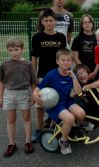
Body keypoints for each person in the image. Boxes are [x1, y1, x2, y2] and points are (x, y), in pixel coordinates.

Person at [32, 49, 85, 155]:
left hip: (67, 101)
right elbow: (38, 87)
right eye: (63, 60)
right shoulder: (51, 75)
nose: (66, 62)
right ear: (57, 61)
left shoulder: (72, 75)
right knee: (70, 118)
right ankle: (64, 141)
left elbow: (79, 92)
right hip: (55, 104)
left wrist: (74, 77)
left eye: (68, 60)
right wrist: (34, 94)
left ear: (71, 62)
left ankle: (73, 129)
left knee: (81, 113)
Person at [31, 8, 67, 143]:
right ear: (42, 22)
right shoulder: (37, 37)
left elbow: (64, 57)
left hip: (58, 76)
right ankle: (39, 129)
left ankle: (55, 127)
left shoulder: (61, 37)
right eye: (46, 21)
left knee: (58, 102)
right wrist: (33, 76)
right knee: (40, 104)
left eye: (51, 20)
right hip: (43, 76)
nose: (49, 23)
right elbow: (34, 57)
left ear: (55, 21)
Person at [0, 38, 38, 157]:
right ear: (7, 51)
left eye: (16, 49)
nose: (14, 53)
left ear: (22, 49)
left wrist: (33, 94)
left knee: (26, 117)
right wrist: (0, 97)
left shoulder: (27, 64)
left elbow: (33, 81)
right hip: (9, 94)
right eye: (10, 50)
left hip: (24, 93)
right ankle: (12, 143)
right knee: (11, 119)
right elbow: (1, 82)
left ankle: (28, 141)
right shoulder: (4, 64)